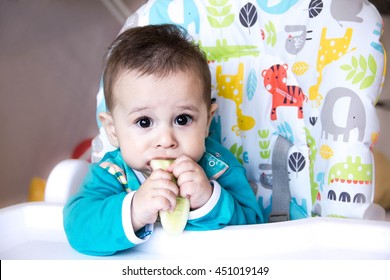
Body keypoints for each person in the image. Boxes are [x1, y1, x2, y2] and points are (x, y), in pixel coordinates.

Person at [63, 24, 263, 256]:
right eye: (145, 122)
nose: (166, 140)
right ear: (113, 130)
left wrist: (208, 200)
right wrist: (135, 209)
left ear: (207, 122)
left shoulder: (218, 167)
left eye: (182, 119)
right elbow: (78, 229)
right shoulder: (113, 173)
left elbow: (254, 230)